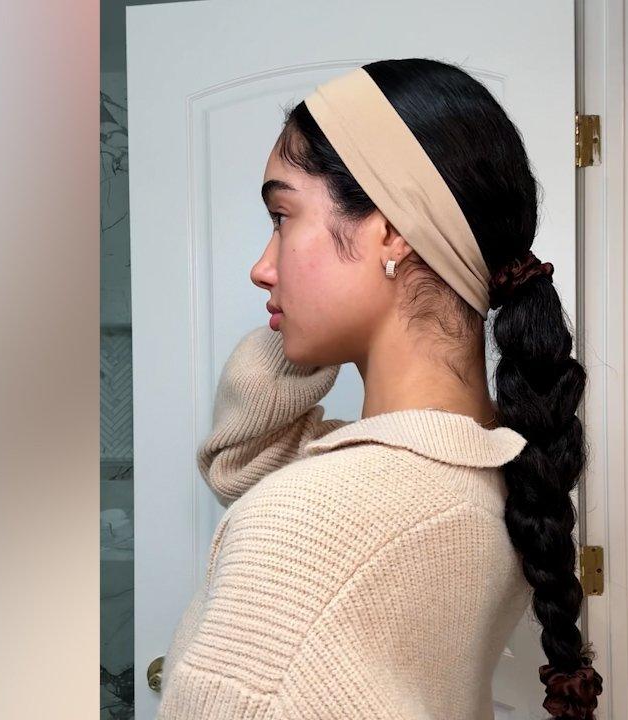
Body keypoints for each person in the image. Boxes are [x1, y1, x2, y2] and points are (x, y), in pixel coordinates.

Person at [156, 59, 602, 720]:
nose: (261, 267)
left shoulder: (305, 528)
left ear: (392, 229)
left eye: (282, 216)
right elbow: (242, 462)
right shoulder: (503, 476)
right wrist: (298, 332)